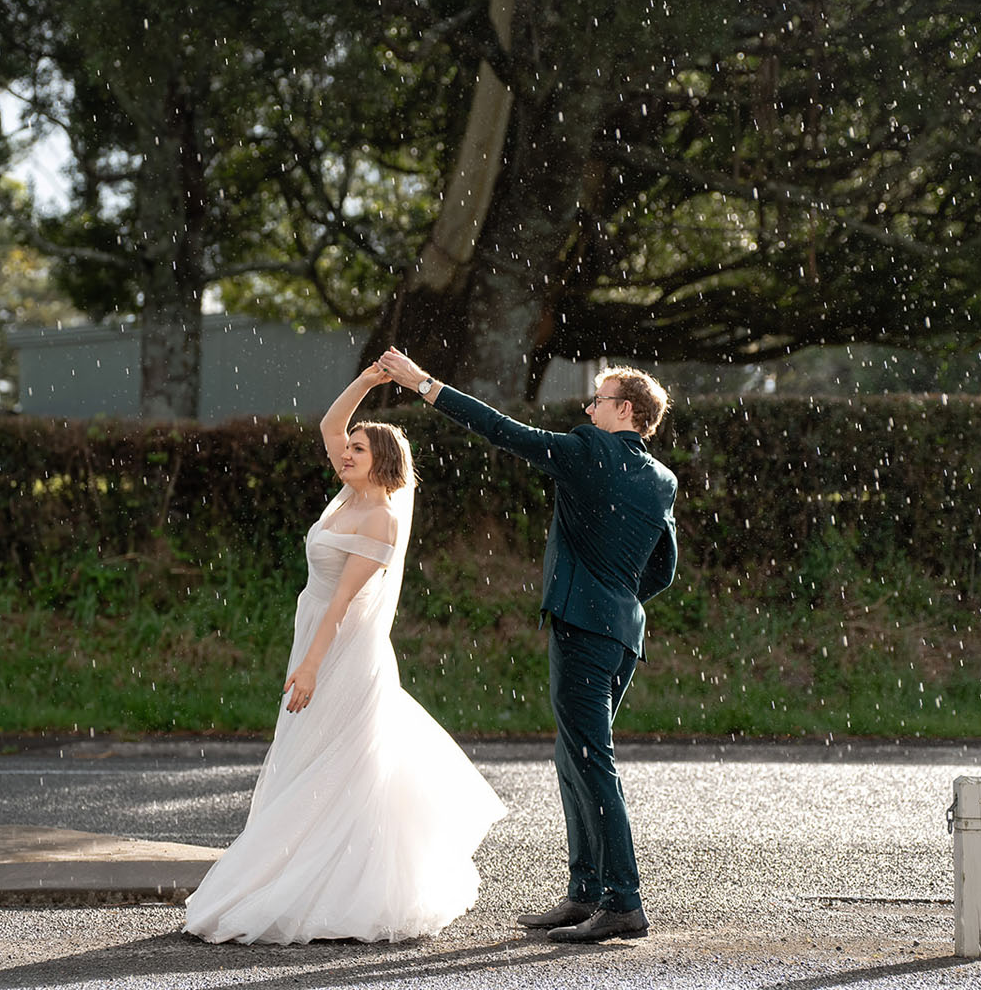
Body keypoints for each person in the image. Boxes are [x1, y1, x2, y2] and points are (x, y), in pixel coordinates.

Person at [183, 364, 507, 945]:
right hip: (315, 635)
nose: (345, 452)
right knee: (305, 757)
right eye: (347, 448)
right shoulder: (347, 494)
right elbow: (332, 424)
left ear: (381, 459)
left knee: (336, 764)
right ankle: (299, 871)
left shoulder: (381, 517)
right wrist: (367, 381)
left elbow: (341, 604)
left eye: (358, 449)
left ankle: (330, 891)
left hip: (342, 649)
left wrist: (309, 664)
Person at [376, 347, 678, 944]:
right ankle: (585, 893)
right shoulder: (661, 478)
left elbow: (501, 430)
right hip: (622, 629)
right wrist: (617, 597)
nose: (588, 407)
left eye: (596, 399)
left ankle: (624, 902)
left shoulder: (589, 451)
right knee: (574, 756)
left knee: (591, 760)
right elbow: (663, 569)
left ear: (622, 409)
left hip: (586, 628)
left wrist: (424, 384)